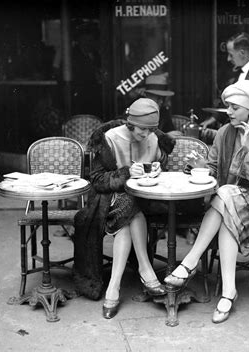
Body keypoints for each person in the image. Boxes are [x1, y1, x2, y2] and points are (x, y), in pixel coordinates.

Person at [164, 80, 249, 324]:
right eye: (228, 106)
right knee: (226, 200)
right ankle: (228, 291)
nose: (228, 112)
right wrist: (200, 166)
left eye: (233, 107)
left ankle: (190, 262)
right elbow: (212, 167)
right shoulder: (224, 132)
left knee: (225, 196)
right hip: (229, 202)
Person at [72, 98, 176, 319]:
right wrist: (126, 173)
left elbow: (159, 164)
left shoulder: (153, 138)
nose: (146, 135)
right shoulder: (109, 138)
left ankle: (114, 287)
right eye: (142, 129)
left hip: (144, 198)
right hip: (107, 198)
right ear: (130, 123)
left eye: (151, 130)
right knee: (130, 208)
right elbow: (98, 180)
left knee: (130, 211)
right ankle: (145, 270)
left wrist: (157, 167)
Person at [202, 32, 249, 132]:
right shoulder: (237, 74)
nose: (228, 59)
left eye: (231, 55)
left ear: (242, 53)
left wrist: (248, 129)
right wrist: (214, 118)